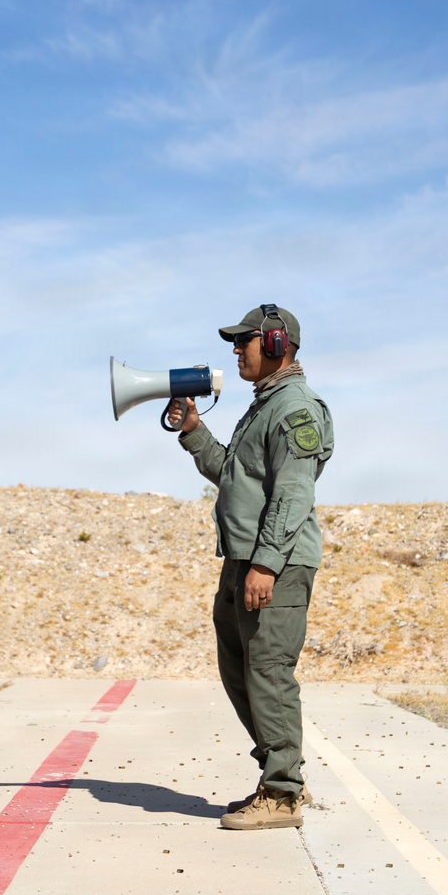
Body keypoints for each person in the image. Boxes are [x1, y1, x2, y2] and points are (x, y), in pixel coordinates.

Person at [168, 305, 333, 831]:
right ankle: (279, 774)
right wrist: (195, 432)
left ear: (279, 344)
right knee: (239, 669)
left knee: (268, 672)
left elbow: (291, 493)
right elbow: (236, 478)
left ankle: (283, 794)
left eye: (247, 342)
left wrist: (265, 564)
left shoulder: (295, 410)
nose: (236, 351)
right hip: (242, 561)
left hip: (273, 564)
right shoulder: (263, 408)